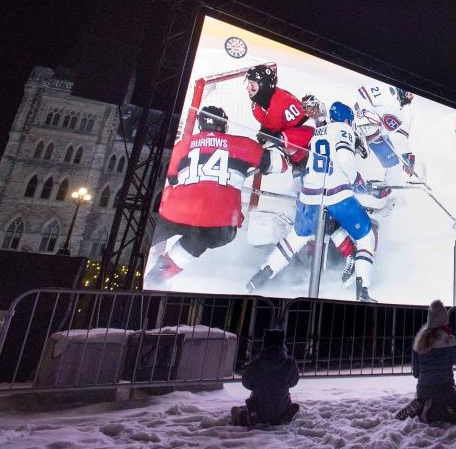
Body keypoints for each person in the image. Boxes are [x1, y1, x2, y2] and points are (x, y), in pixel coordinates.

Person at [245, 102, 379, 302]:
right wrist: (357, 180)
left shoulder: (317, 132)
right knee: (365, 236)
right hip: (336, 194)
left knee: (296, 238)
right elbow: (343, 157)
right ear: (346, 119)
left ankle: (260, 277)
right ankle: (363, 293)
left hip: (310, 195)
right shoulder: (343, 128)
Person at [145, 106, 273, 289]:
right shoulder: (241, 144)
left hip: (175, 212)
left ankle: (135, 271)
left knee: (148, 236)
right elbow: (278, 164)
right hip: (218, 224)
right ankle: (156, 278)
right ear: (224, 125)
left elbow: (172, 177)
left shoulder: (183, 146)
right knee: (200, 237)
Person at [395, 300, 456, 424]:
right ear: (444, 319)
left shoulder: (419, 341)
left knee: (436, 399)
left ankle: (422, 403)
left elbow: (416, 373)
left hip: (422, 389)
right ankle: (434, 413)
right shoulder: (449, 339)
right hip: (445, 390)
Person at [246, 63, 314, 169]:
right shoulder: (256, 106)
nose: (248, 88)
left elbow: (309, 130)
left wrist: (275, 139)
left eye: (252, 85)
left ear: (263, 85)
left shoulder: (284, 101)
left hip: (309, 146)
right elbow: (269, 129)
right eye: (248, 84)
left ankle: (300, 160)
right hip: (293, 150)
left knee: (281, 139)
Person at [231, 328, 300, 427]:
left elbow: (246, 382)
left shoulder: (256, 363)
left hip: (258, 408)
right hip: (281, 408)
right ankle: (281, 416)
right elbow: (293, 382)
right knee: (292, 404)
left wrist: (259, 386)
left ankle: (252, 415)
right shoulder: (290, 363)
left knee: (235, 410)